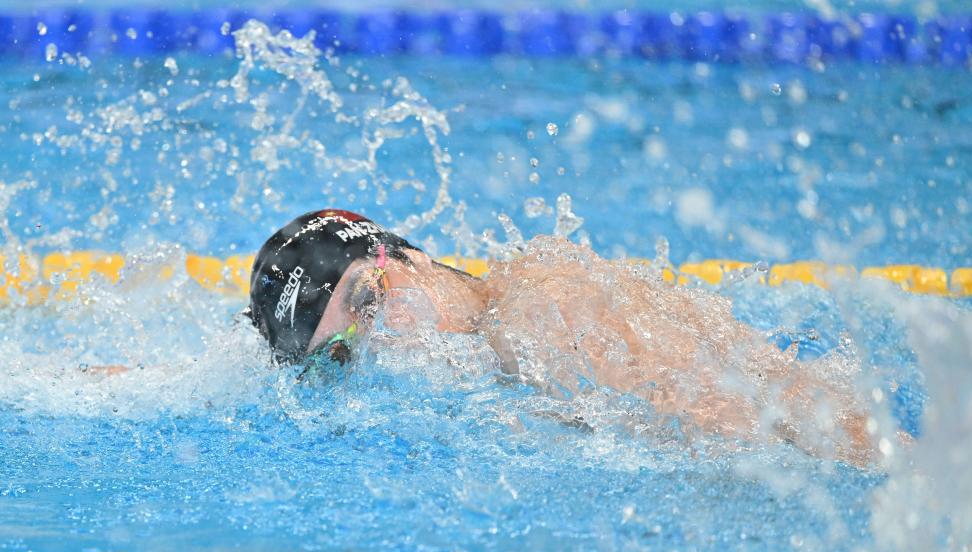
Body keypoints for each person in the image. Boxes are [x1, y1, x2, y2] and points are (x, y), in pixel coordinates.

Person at [248, 209, 876, 466]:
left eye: (369, 299)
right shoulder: (501, 355)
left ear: (410, 257)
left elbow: (754, 433)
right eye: (342, 354)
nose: (383, 340)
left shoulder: (540, 315)